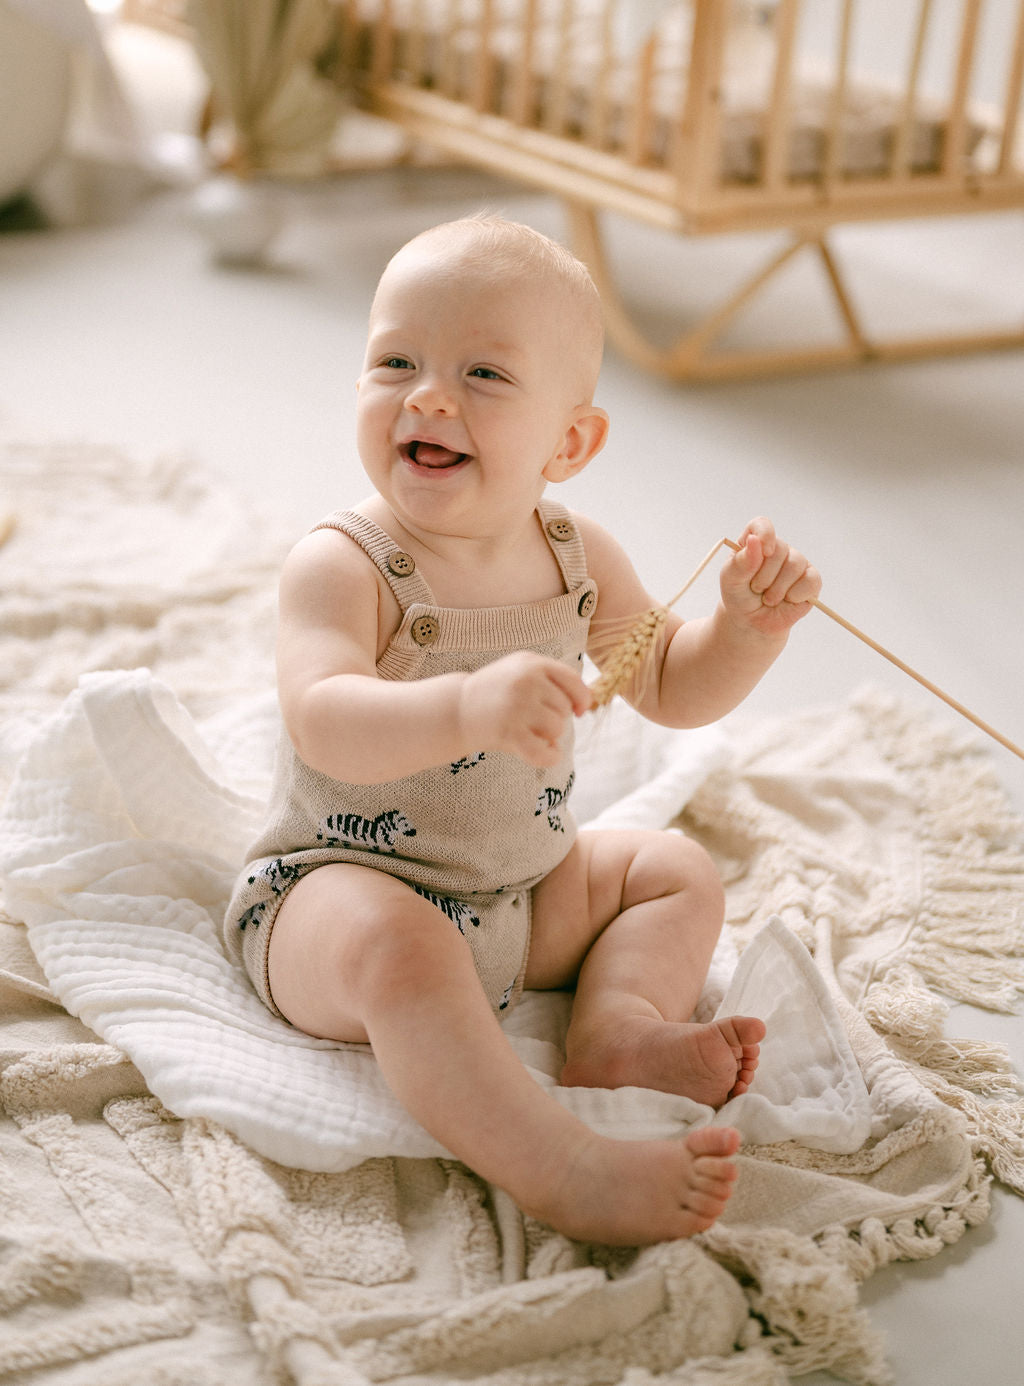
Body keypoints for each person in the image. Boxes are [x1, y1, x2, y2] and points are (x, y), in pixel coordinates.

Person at [225, 214, 822, 1247]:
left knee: (674, 868)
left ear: (570, 442)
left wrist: (744, 628)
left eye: (484, 375)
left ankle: (616, 1034)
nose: (427, 395)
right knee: (400, 946)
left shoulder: (574, 553)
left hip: (518, 892)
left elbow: (670, 684)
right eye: (395, 360)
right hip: (333, 895)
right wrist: (465, 704)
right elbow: (323, 720)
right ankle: (561, 1164)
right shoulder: (344, 564)